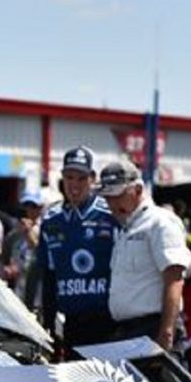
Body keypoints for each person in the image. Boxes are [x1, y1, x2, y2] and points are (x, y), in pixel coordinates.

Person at [99, 159, 191, 352]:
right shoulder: (126, 228)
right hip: (126, 331)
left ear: (138, 190)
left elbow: (174, 279)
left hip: (153, 328)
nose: (112, 203)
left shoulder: (160, 222)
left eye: (118, 195)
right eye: (107, 197)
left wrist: (166, 332)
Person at [35, 146, 116, 347]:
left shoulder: (111, 215)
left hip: (108, 321)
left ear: (92, 179)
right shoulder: (51, 221)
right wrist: (48, 322)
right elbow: (48, 276)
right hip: (71, 321)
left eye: (81, 178)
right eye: (70, 178)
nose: (75, 185)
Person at [0, 189, 43, 305]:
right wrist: (8, 269)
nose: (29, 210)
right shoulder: (13, 235)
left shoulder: (45, 230)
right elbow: (4, 258)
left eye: (33, 206)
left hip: (38, 292)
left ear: (40, 208)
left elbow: (43, 255)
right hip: (18, 291)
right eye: (26, 206)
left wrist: (29, 233)